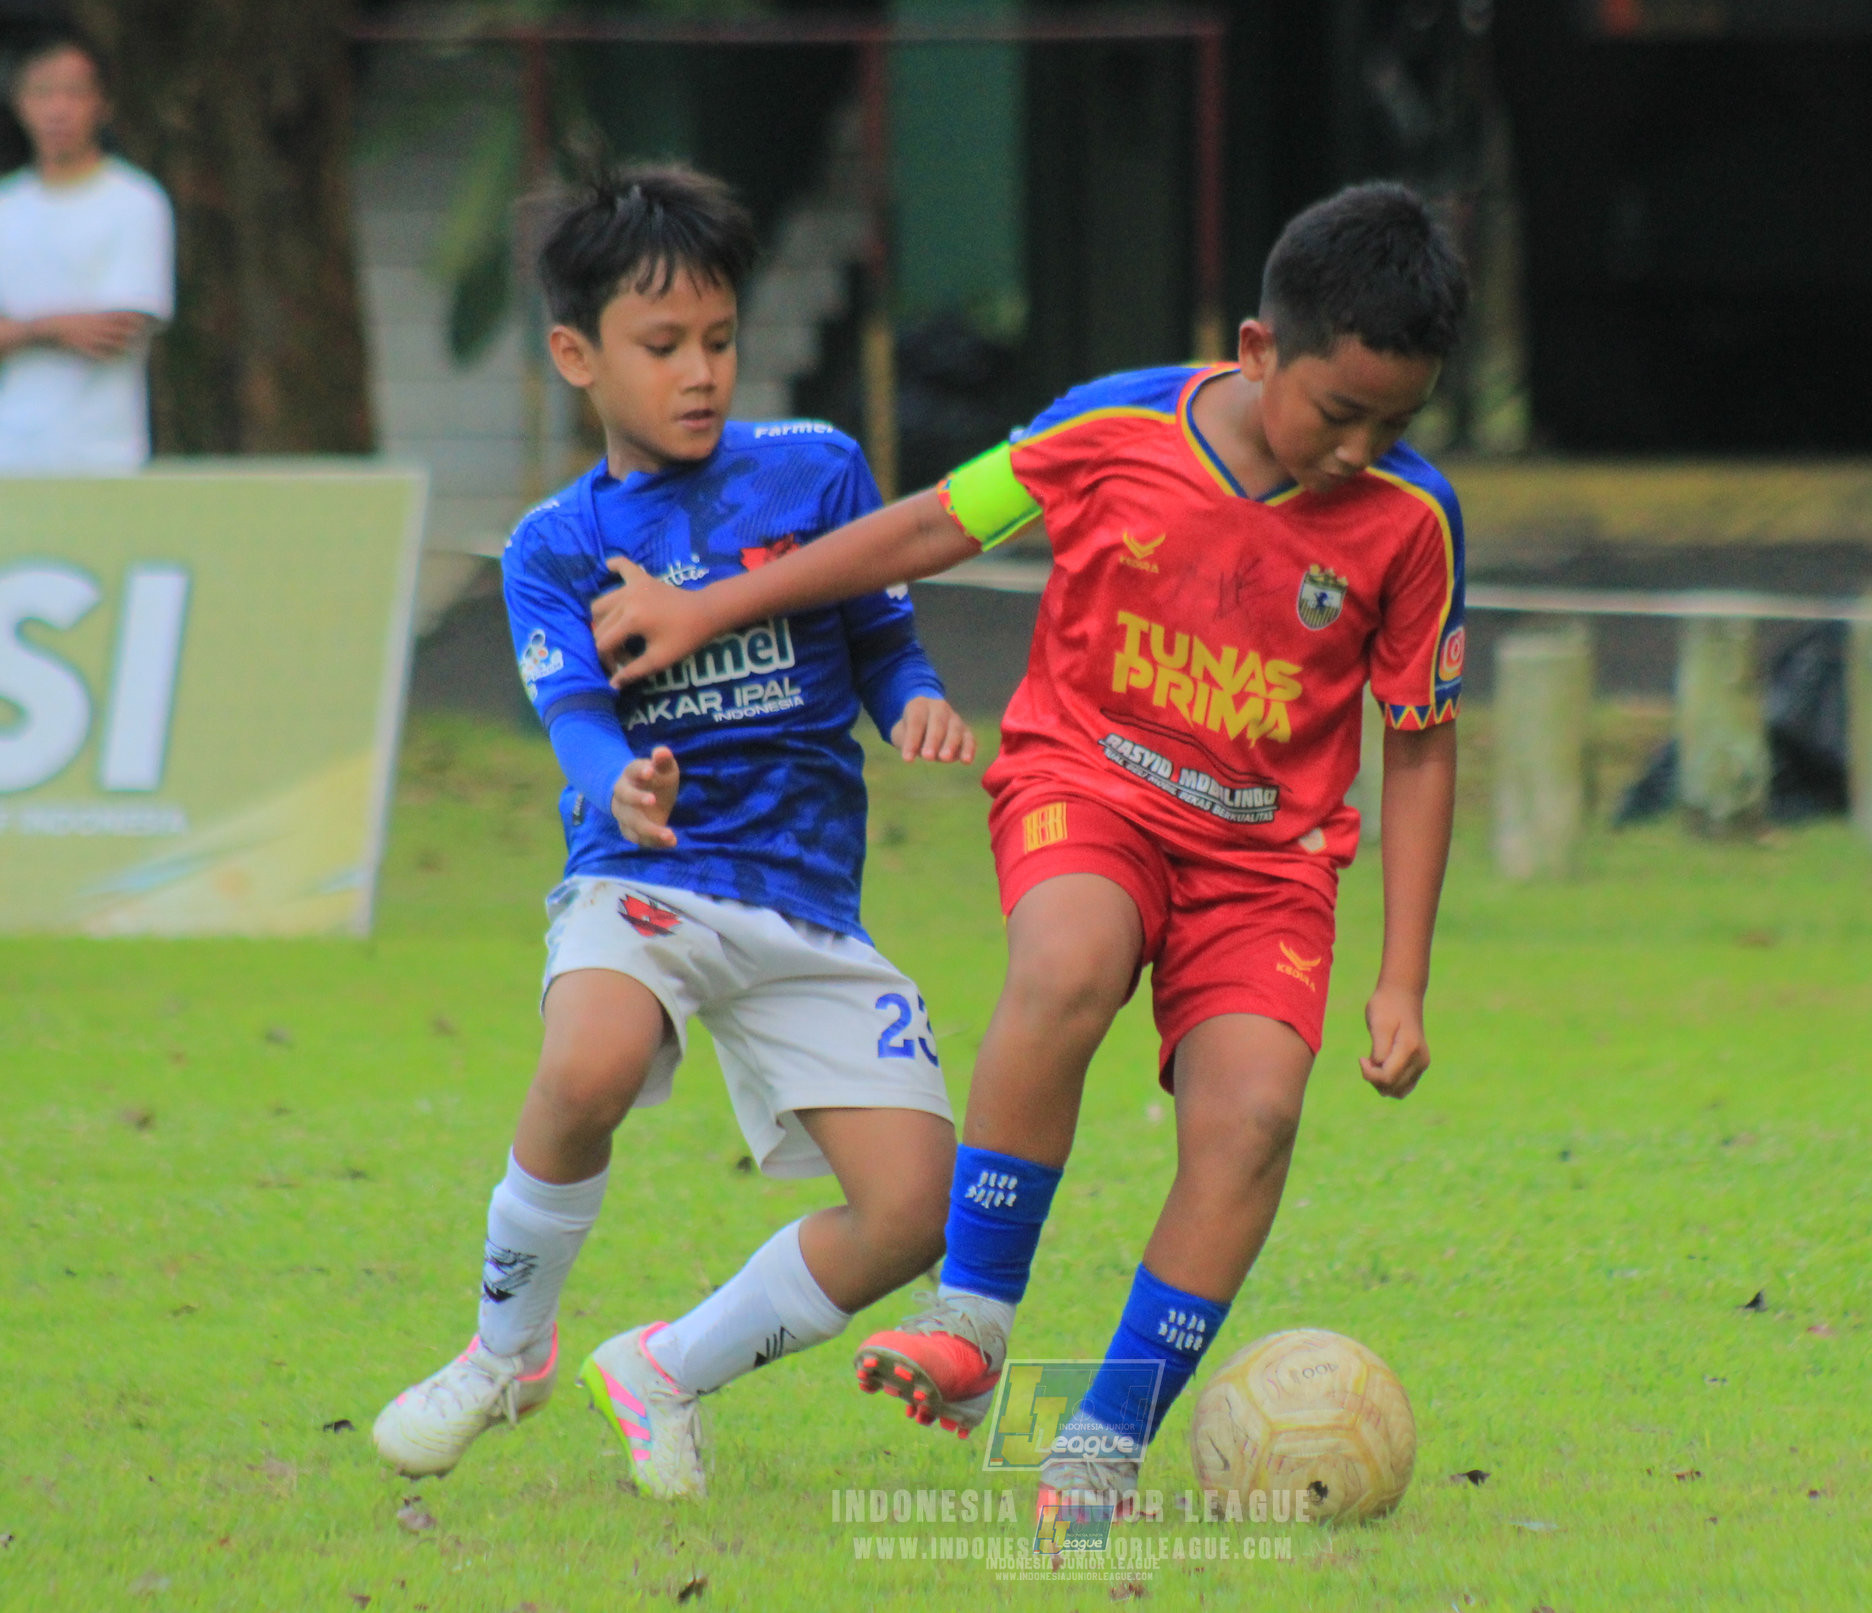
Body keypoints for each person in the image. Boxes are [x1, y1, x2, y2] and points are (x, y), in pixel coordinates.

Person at [588, 181, 1468, 1525]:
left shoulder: (1411, 520)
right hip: (1090, 782)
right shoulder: (1111, 425)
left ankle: (1095, 1448)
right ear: (1255, 350)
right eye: (1336, 412)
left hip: (1266, 865)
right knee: (1066, 962)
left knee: (1252, 1123)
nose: (1358, 450)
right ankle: (974, 1315)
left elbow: (1418, 744)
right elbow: (934, 524)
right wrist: (713, 607)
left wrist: (1400, 978)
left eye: (1391, 425)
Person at [371, 167, 978, 1499]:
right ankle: (504, 1351)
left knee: (914, 1210)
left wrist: (915, 701)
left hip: (806, 904)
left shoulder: (816, 468)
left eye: (718, 339)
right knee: (588, 1060)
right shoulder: (554, 544)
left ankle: (664, 1368)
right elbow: (575, 717)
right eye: (662, 346)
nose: (699, 372)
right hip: (647, 874)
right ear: (575, 355)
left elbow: (879, 631)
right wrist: (617, 789)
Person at [0, 31, 173, 474]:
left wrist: (3, 332)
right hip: (3, 455)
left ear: (103, 104)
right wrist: (50, 328)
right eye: (42, 92)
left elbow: (116, 329)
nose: (58, 109)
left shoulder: (136, 202)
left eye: (74, 93)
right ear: (20, 104)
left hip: (103, 457)